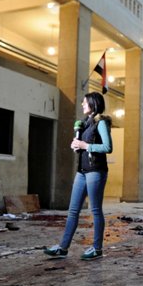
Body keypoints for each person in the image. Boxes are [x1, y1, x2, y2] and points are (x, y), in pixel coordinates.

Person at [44, 92, 112, 260]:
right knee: (73, 210)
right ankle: (63, 248)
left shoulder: (101, 123)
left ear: (93, 104)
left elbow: (107, 147)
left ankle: (97, 249)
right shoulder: (85, 124)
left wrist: (85, 145)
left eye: (84, 102)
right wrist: (77, 144)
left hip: (96, 170)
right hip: (82, 171)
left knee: (95, 210)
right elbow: (83, 144)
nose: (82, 105)